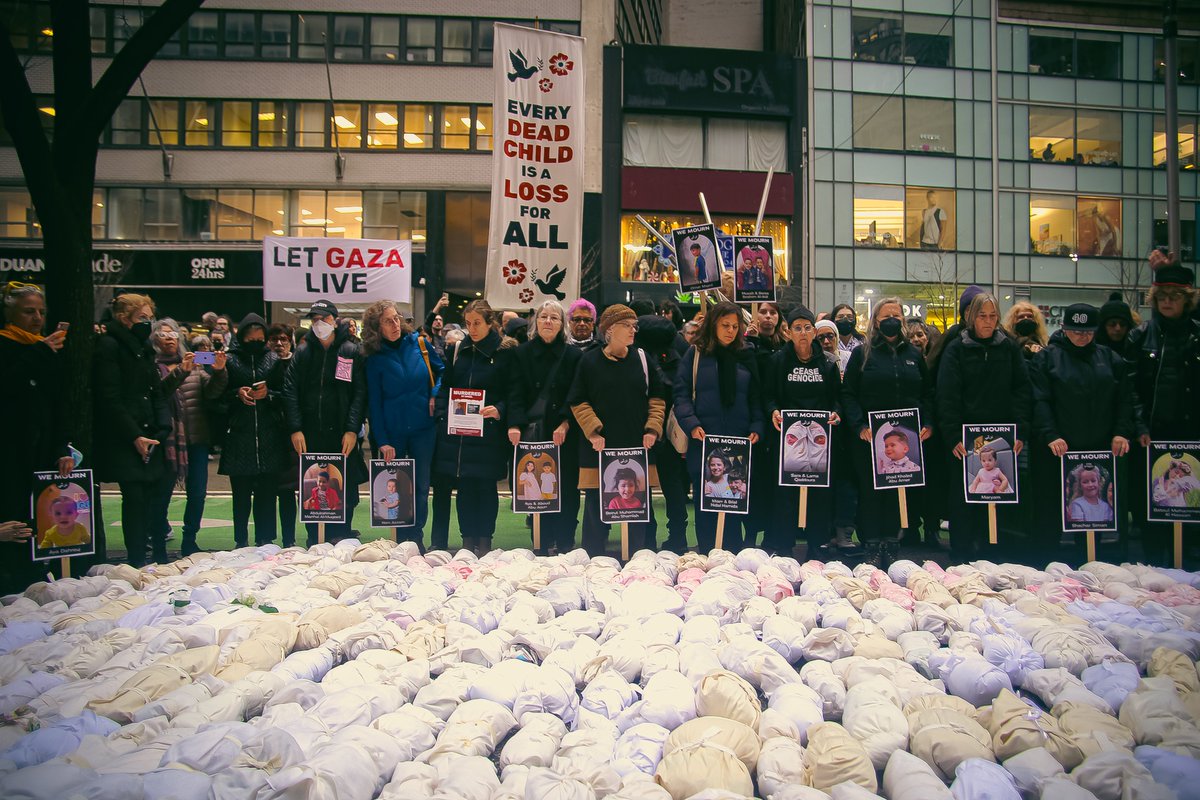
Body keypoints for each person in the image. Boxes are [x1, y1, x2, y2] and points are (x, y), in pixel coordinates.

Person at [1030, 303, 1136, 563]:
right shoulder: (1047, 358)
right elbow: (1038, 400)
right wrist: (1050, 434)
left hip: (1099, 451)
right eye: (1076, 331)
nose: (1082, 336)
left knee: (1095, 514)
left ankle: (1094, 566)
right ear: (1064, 329)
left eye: (1088, 331)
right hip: (1057, 452)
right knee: (1050, 513)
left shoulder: (1111, 359)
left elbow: (1125, 400)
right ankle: (1047, 567)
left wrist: (1122, 432)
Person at [935, 292, 1032, 562]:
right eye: (982, 316)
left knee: (999, 493)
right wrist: (953, 434)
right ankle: (962, 555)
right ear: (971, 317)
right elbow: (947, 395)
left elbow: (1022, 390)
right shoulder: (956, 349)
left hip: (1003, 437)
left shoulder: (1009, 348)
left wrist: (1020, 430)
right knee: (964, 497)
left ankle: (997, 553)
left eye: (993, 316)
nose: (988, 322)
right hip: (966, 439)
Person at [841, 296, 934, 569]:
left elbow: (927, 393)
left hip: (905, 437)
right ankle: (871, 543)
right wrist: (859, 425)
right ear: (876, 321)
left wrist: (927, 422)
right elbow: (849, 393)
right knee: (870, 492)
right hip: (870, 438)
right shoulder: (862, 353)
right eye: (886, 316)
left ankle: (892, 544)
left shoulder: (914, 355)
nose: (891, 320)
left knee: (897, 490)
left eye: (897, 315)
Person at [568, 304, 667, 557]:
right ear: (610, 330)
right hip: (598, 450)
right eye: (628, 325)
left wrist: (653, 429)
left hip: (637, 447)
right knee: (594, 511)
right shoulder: (588, 361)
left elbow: (658, 397)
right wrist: (593, 431)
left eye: (635, 325)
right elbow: (578, 400)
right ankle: (594, 561)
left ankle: (641, 561)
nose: (634, 330)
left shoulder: (643, 358)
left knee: (640, 509)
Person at [672, 301, 763, 553]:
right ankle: (708, 552)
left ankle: (732, 554)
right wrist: (691, 425)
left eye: (735, 326)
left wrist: (757, 425)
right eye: (725, 325)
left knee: (734, 496)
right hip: (704, 440)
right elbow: (680, 394)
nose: (731, 331)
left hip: (738, 440)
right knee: (707, 499)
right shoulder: (696, 354)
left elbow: (756, 395)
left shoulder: (747, 354)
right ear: (713, 325)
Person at [1126, 263, 1200, 565]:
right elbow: (1129, 388)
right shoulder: (1140, 337)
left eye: (1175, 295)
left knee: (1189, 500)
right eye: (1163, 296)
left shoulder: (1197, 336)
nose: (1168, 301)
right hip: (1151, 435)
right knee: (1151, 504)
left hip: (1191, 433)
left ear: (1187, 299)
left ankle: (1189, 568)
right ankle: (1154, 564)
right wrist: (1140, 424)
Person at [0, 282, 72, 591]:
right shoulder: (9, 346)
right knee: (14, 512)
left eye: (41, 312)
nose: (37, 318)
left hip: (42, 447)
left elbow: (57, 402)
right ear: (10, 313)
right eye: (29, 312)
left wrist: (62, 447)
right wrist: (39, 352)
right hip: (9, 447)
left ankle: (34, 575)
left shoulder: (46, 349)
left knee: (42, 512)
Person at [93, 293, 172, 567]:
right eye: (142, 317)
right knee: (135, 499)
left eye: (150, 318)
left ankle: (157, 555)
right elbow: (109, 397)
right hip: (127, 436)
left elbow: (157, 392)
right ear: (123, 318)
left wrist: (164, 427)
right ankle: (137, 560)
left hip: (152, 432)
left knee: (157, 498)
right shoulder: (109, 346)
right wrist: (133, 434)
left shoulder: (145, 349)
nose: (147, 323)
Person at [283, 300, 368, 545]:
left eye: (324, 318)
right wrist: (295, 428)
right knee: (312, 483)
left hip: (341, 433)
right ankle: (314, 538)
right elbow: (290, 390)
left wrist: (352, 429)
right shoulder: (303, 351)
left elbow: (358, 393)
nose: (319, 324)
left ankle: (341, 536)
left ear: (334, 319)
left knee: (344, 485)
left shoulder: (350, 350)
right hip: (310, 433)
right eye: (315, 319)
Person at [433, 299, 514, 555]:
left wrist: (499, 409)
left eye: (477, 323)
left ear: (491, 323)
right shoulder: (458, 350)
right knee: (465, 487)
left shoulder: (504, 352)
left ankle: (485, 540)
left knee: (486, 487)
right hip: (461, 433)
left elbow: (513, 391)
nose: (473, 328)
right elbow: (446, 386)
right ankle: (467, 540)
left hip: (489, 431)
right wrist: (446, 413)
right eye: (469, 324)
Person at [363, 300, 443, 550]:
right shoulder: (373, 358)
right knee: (394, 485)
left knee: (421, 485)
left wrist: (435, 393)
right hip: (393, 432)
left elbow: (442, 371)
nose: (395, 324)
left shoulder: (419, 344)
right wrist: (383, 440)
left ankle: (416, 536)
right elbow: (374, 403)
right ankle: (398, 537)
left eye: (397, 318)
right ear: (377, 327)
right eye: (388, 321)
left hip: (424, 428)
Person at [763, 306, 841, 557]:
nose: (803, 333)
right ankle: (784, 546)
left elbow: (837, 398)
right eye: (798, 328)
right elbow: (768, 396)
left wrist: (836, 413)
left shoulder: (827, 364)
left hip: (819, 441)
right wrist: (773, 410)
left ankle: (817, 546)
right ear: (788, 332)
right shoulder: (777, 361)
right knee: (785, 494)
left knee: (819, 493)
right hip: (788, 439)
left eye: (808, 327)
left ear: (814, 331)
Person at [506, 300, 582, 554]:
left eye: (554, 318)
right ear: (535, 322)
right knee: (535, 489)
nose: (548, 322)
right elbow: (514, 391)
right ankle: (540, 541)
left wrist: (566, 421)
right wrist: (514, 424)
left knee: (567, 488)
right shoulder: (520, 353)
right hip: (532, 432)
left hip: (564, 433)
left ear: (562, 325)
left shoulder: (574, 355)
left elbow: (577, 392)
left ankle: (565, 542)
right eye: (543, 317)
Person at [152, 318, 229, 557]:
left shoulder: (195, 361)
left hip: (196, 438)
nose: (169, 339)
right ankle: (157, 542)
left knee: (197, 494)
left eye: (173, 334)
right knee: (161, 494)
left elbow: (211, 392)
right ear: (154, 339)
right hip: (167, 441)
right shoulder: (150, 364)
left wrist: (219, 371)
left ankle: (190, 539)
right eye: (163, 335)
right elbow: (157, 394)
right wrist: (179, 374)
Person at [219, 314, 290, 548]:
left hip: (270, 436)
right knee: (240, 496)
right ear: (242, 338)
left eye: (260, 338)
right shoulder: (229, 360)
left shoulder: (273, 360)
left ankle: (266, 540)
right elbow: (215, 398)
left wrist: (268, 394)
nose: (256, 342)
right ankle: (241, 540)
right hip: (239, 436)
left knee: (267, 496)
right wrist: (236, 393)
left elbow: (285, 396)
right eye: (251, 339)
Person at [635, 303, 691, 553]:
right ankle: (677, 537)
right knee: (673, 484)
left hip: (642, 427)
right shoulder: (679, 352)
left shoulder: (636, 355)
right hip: (671, 430)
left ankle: (646, 536)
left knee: (641, 482)